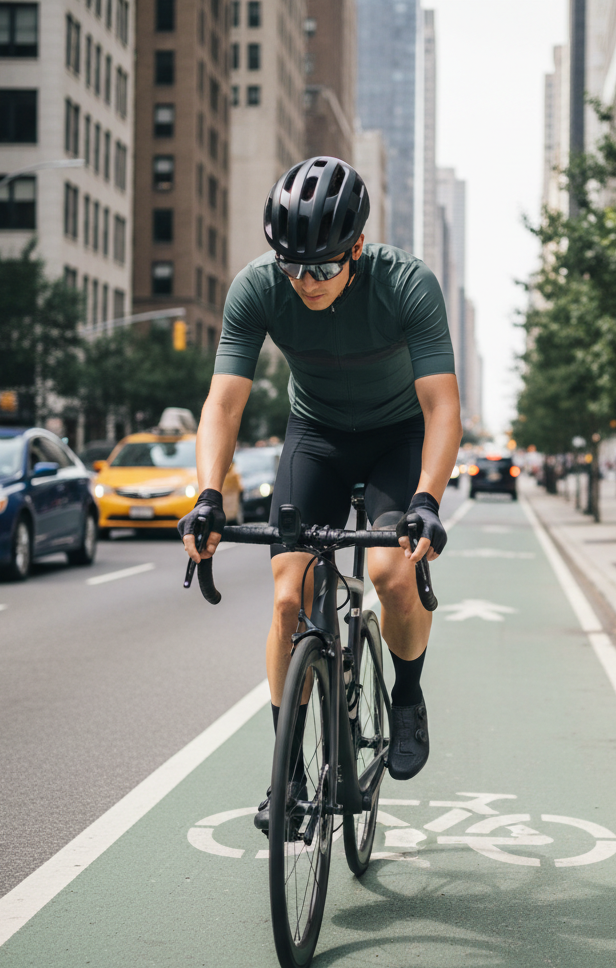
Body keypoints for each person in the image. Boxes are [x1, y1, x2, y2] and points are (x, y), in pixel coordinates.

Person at [178, 157, 461, 833]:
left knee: (393, 575)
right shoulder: (257, 287)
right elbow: (223, 403)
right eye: (293, 266)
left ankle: (408, 696)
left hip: (398, 437)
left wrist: (426, 500)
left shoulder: (407, 285)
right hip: (317, 436)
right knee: (288, 601)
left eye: (324, 266)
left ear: (357, 248)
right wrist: (208, 495)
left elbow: (442, 407)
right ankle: (289, 774)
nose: (306, 281)